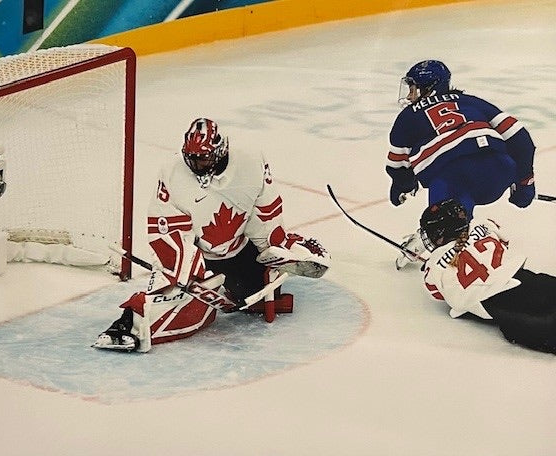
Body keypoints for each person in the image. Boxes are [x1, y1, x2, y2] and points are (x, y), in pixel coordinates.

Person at [93, 118, 331, 352]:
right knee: (187, 308)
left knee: (256, 289)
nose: (197, 165)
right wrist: (184, 272)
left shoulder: (250, 163)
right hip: (200, 258)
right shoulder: (173, 173)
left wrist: (278, 247)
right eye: (192, 159)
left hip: (239, 252)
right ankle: (128, 324)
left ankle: (249, 278)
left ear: (220, 151)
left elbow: (266, 216)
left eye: (203, 158)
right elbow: (167, 230)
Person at [385, 60, 536, 269]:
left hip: (452, 180)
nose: (410, 96)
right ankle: (470, 233)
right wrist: (524, 181)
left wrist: (402, 186)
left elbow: (398, 165)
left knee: (447, 220)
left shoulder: (407, 117)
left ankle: (445, 242)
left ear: (428, 89)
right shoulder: (471, 101)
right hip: (500, 168)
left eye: (413, 89)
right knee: (459, 204)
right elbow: (521, 139)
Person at [419, 199, 556, 354]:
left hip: (494, 302)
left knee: (538, 326)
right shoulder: (483, 225)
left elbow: (436, 293)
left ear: (440, 233)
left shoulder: (434, 265)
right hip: (520, 277)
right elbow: (505, 241)